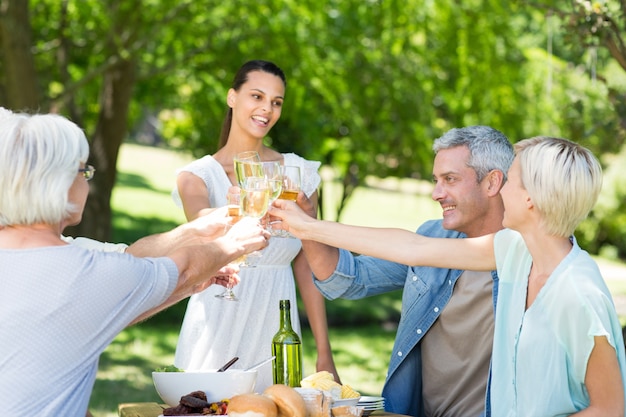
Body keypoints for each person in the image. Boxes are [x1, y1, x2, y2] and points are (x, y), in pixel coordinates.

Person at [270, 136, 626, 416]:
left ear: (531, 198)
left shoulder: (579, 293)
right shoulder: (515, 253)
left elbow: (610, 409)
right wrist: (309, 226)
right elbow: (412, 248)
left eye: (510, 181)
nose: (500, 190)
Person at [0, 111, 270, 416]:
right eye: (82, 172)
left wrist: (190, 283)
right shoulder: (85, 270)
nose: (86, 181)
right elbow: (180, 268)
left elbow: (107, 311)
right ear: (57, 184)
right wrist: (235, 244)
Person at [273, 126, 513, 416]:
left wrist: (310, 227)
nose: (437, 193)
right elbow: (346, 280)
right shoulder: (434, 234)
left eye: (450, 179)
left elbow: (410, 247)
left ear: (492, 183)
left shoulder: (525, 253)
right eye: (436, 180)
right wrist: (307, 224)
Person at [171, 59, 339, 391]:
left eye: (276, 102)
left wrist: (324, 352)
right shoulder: (197, 178)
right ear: (232, 97)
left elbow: (308, 264)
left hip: (277, 324)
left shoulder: (299, 174)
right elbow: (205, 233)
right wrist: (235, 210)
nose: (267, 109)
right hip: (217, 317)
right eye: (257, 96)